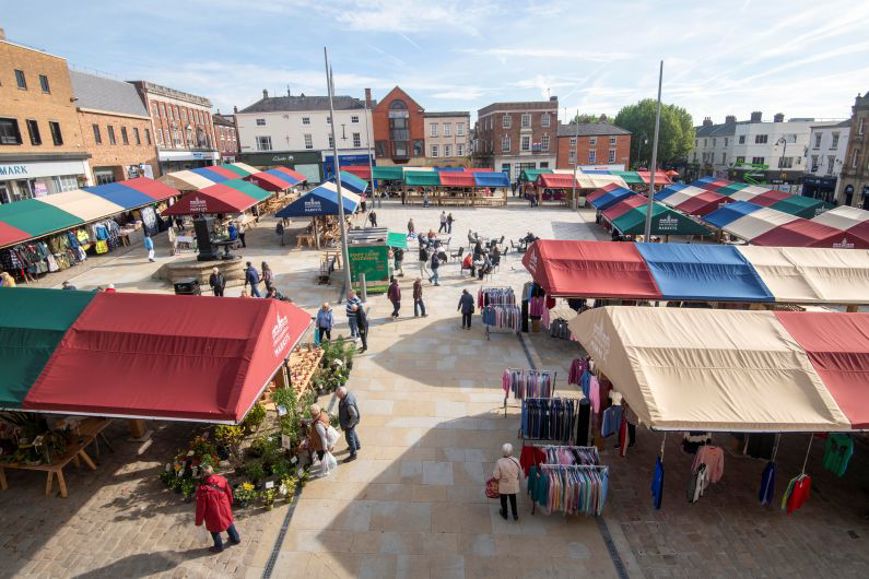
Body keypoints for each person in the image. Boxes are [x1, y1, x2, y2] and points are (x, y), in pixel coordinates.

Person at [195, 465, 240, 553]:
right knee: (228, 522)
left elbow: (201, 508)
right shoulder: (221, 479)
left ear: (203, 475)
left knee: (213, 529)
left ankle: (219, 546)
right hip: (224, 506)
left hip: (213, 513)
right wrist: (230, 502)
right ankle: (235, 538)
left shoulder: (203, 490)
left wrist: (199, 521)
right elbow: (228, 491)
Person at [494, 443, 521, 521]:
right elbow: (520, 473)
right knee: (513, 498)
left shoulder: (499, 462)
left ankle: (505, 513)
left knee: (503, 499)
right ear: (512, 451)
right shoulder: (516, 460)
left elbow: (496, 476)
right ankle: (515, 514)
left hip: (503, 485)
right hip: (513, 484)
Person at [337, 386, 361, 463]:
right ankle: (357, 445)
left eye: (338, 396)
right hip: (350, 422)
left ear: (342, 395)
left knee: (349, 438)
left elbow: (354, 415)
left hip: (349, 423)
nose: (337, 397)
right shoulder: (348, 394)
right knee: (353, 433)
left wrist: (350, 424)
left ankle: (353, 454)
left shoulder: (348, 403)